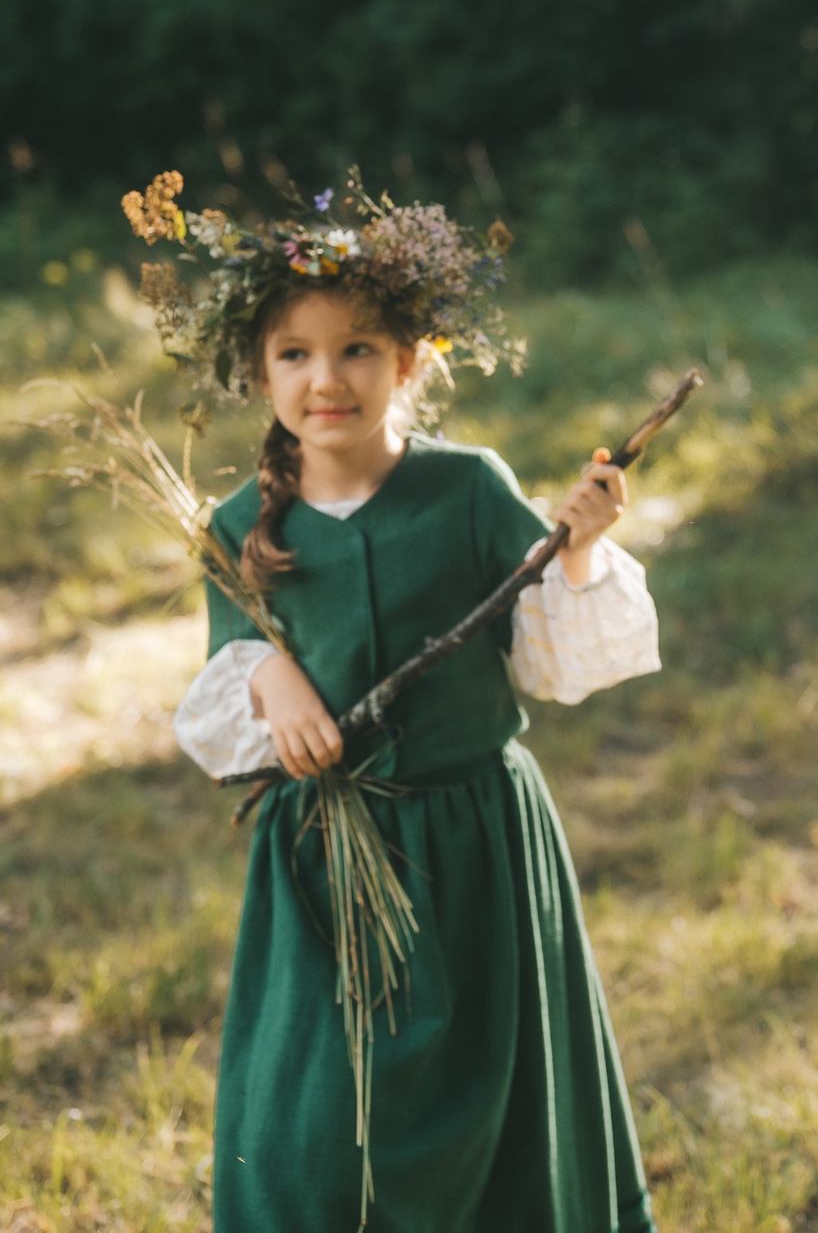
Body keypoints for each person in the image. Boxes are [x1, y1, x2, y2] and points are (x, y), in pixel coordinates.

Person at [132, 176, 660, 1233]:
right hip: (326, 859)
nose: (326, 378)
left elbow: (551, 653)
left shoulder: (467, 489)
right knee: (315, 1129)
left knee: (495, 1107)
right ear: (259, 369)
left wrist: (579, 547)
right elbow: (231, 662)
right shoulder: (236, 526)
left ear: (411, 361)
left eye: (359, 348)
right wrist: (266, 670)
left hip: (474, 844)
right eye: (295, 353)